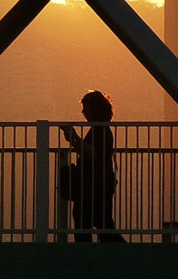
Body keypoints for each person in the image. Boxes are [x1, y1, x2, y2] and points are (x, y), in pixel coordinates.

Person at [59, 90, 124, 242]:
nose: (83, 112)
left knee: (92, 220)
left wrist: (75, 137)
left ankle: (91, 253)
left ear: (94, 109)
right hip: (95, 183)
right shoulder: (99, 129)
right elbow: (90, 150)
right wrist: (73, 139)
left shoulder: (101, 130)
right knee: (98, 221)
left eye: (86, 108)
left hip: (96, 184)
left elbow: (94, 153)